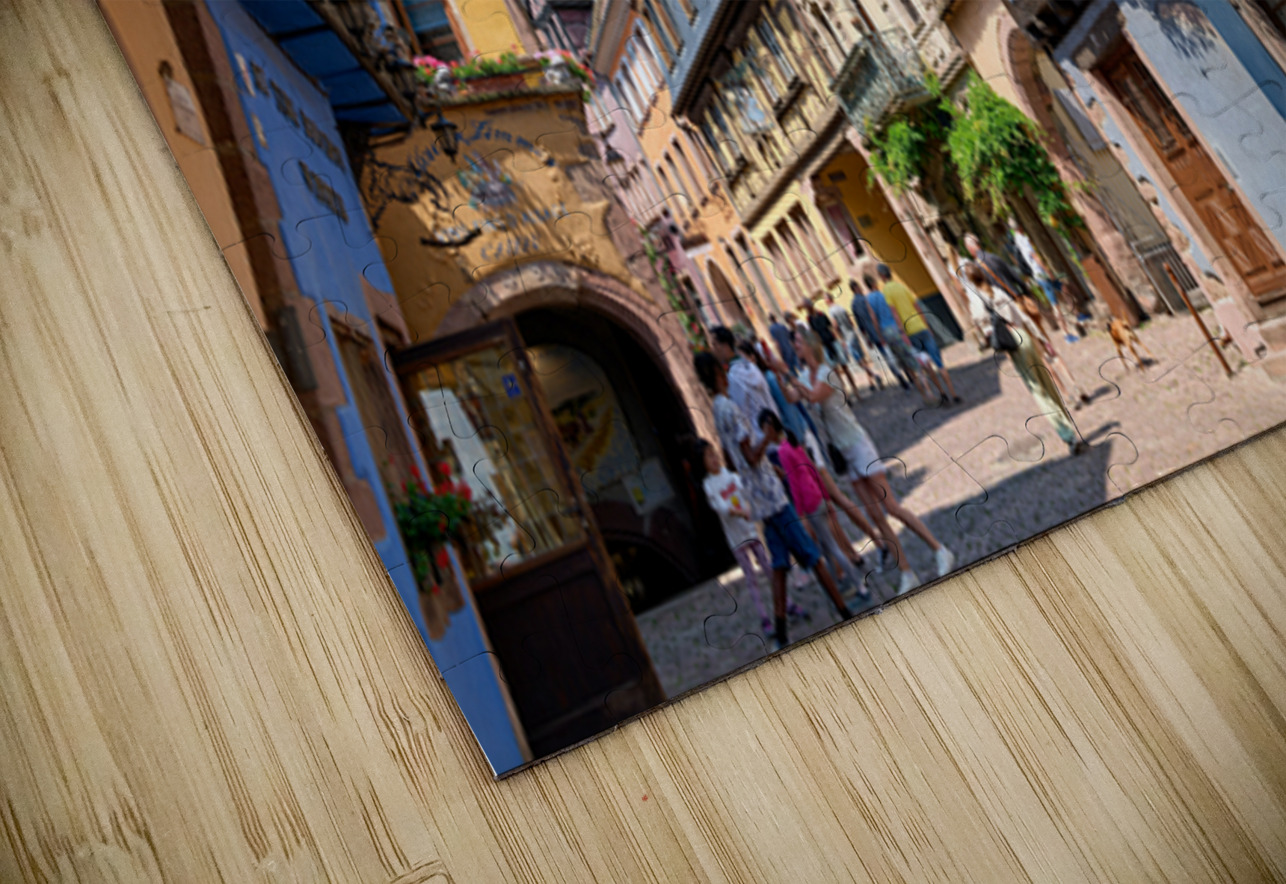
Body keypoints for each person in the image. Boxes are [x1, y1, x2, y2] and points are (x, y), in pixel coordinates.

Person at [694, 352, 855, 650]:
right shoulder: (729, 407)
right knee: (812, 555)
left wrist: (767, 468)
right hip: (772, 497)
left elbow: (734, 458)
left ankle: (781, 635)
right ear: (718, 373)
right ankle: (845, 612)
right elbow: (749, 456)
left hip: (759, 497)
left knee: (779, 564)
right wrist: (768, 437)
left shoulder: (716, 410)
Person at [795, 331, 957, 595]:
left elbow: (813, 397)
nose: (794, 346)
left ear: (810, 345)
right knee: (874, 515)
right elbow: (794, 396)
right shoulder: (805, 377)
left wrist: (787, 376)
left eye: (798, 341)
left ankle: (939, 550)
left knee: (890, 506)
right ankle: (906, 571)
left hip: (858, 444)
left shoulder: (827, 373)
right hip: (842, 452)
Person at [754, 346, 887, 571]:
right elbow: (791, 397)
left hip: (803, 445)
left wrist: (799, 448)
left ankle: (867, 547)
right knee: (831, 500)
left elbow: (794, 408)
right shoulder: (771, 379)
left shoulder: (770, 379)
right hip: (803, 443)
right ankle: (856, 553)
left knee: (830, 499)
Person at [961, 262, 1089, 456]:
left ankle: (1067, 435)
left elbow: (983, 327)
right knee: (1047, 383)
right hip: (1024, 335)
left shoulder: (976, 301)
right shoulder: (996, 291)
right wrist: (1042, 338)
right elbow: (1023, 316)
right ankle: (1069, 425)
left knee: (1038, 391)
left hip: (1013, 344)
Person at [760, 411, 868, 600]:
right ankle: (839, 586)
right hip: (817, 496)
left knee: (832, 548)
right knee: (826, 548)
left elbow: (794, 483)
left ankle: (859, 586)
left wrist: (800, 513)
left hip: (810, 503)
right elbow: (811, 469)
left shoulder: (783, 452)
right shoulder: (792, 443)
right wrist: (825, 496)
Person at [694, 438, 777, 637]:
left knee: (767, 567)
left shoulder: (730, 475)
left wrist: (750, 505)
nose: (714, 459)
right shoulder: (709, 485)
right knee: (751, 577)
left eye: (714, 453)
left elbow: (744, 491)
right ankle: (763, 616)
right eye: (708, 456)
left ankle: (784, 604)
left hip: (749, 530)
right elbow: (720, 508)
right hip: (736, 539)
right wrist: (739, 512)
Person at [877, 264, 961, 406]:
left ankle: (942, 394)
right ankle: (953, 393)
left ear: (881, 276)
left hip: (910, 332)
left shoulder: (886, 291)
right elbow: (917, 306)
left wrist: (901, 332)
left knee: (926, 365)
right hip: (921, 327)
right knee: (939, 363)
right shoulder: (902, 286)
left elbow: (895, 313)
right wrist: (927, 326)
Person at [865, 273, 934, 403]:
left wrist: (880, 335)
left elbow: (874, 319)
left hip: (886, 332)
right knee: (914, 360)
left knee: (905, 364)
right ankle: (929, 391)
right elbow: (894, 310)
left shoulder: (868, 300)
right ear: (874, 283)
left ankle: (923, 395)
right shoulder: (884, 294)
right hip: (897, 329)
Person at [1007, 219, 1076, 342]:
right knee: (1055, 305)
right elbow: (1035, 256)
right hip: (1042, 275)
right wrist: (1047, 271)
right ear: (1021, 226)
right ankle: (1066, 334)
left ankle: (1077, 315)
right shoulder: (1023, 240)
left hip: (1037, 275)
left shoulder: (1016, 241)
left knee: (1063, 288)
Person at [710, 327, 780, 444]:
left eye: (715, 344)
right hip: (775, 429)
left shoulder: (734, 377)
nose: (714, 350)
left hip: (763, 440)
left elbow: (742, 414)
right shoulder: (750, 366)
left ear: (725, 345)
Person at [850, 279, 910, 390]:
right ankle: (908, 374)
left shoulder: (853, 305)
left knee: (887, 357)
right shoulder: (867, 299)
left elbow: (860, 324)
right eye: (859, 286)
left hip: (873, 335)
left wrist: (867, 338)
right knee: (896, 352)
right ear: (856, 288)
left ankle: (900, 377)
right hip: (882, 329)